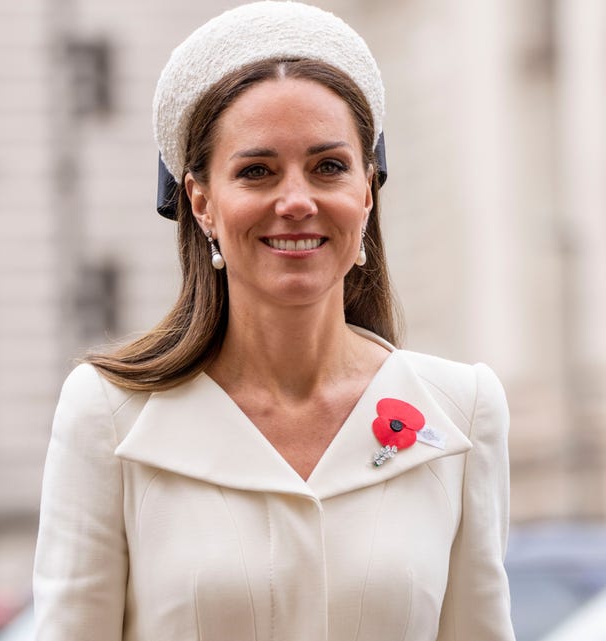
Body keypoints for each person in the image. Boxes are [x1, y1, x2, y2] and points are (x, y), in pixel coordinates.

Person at [33, 2, 516, 640]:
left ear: (367, 192)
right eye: (256, 171)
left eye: (329, 167)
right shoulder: (108, 415)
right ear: (201, 202)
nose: (296, 201)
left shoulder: (462, 412)